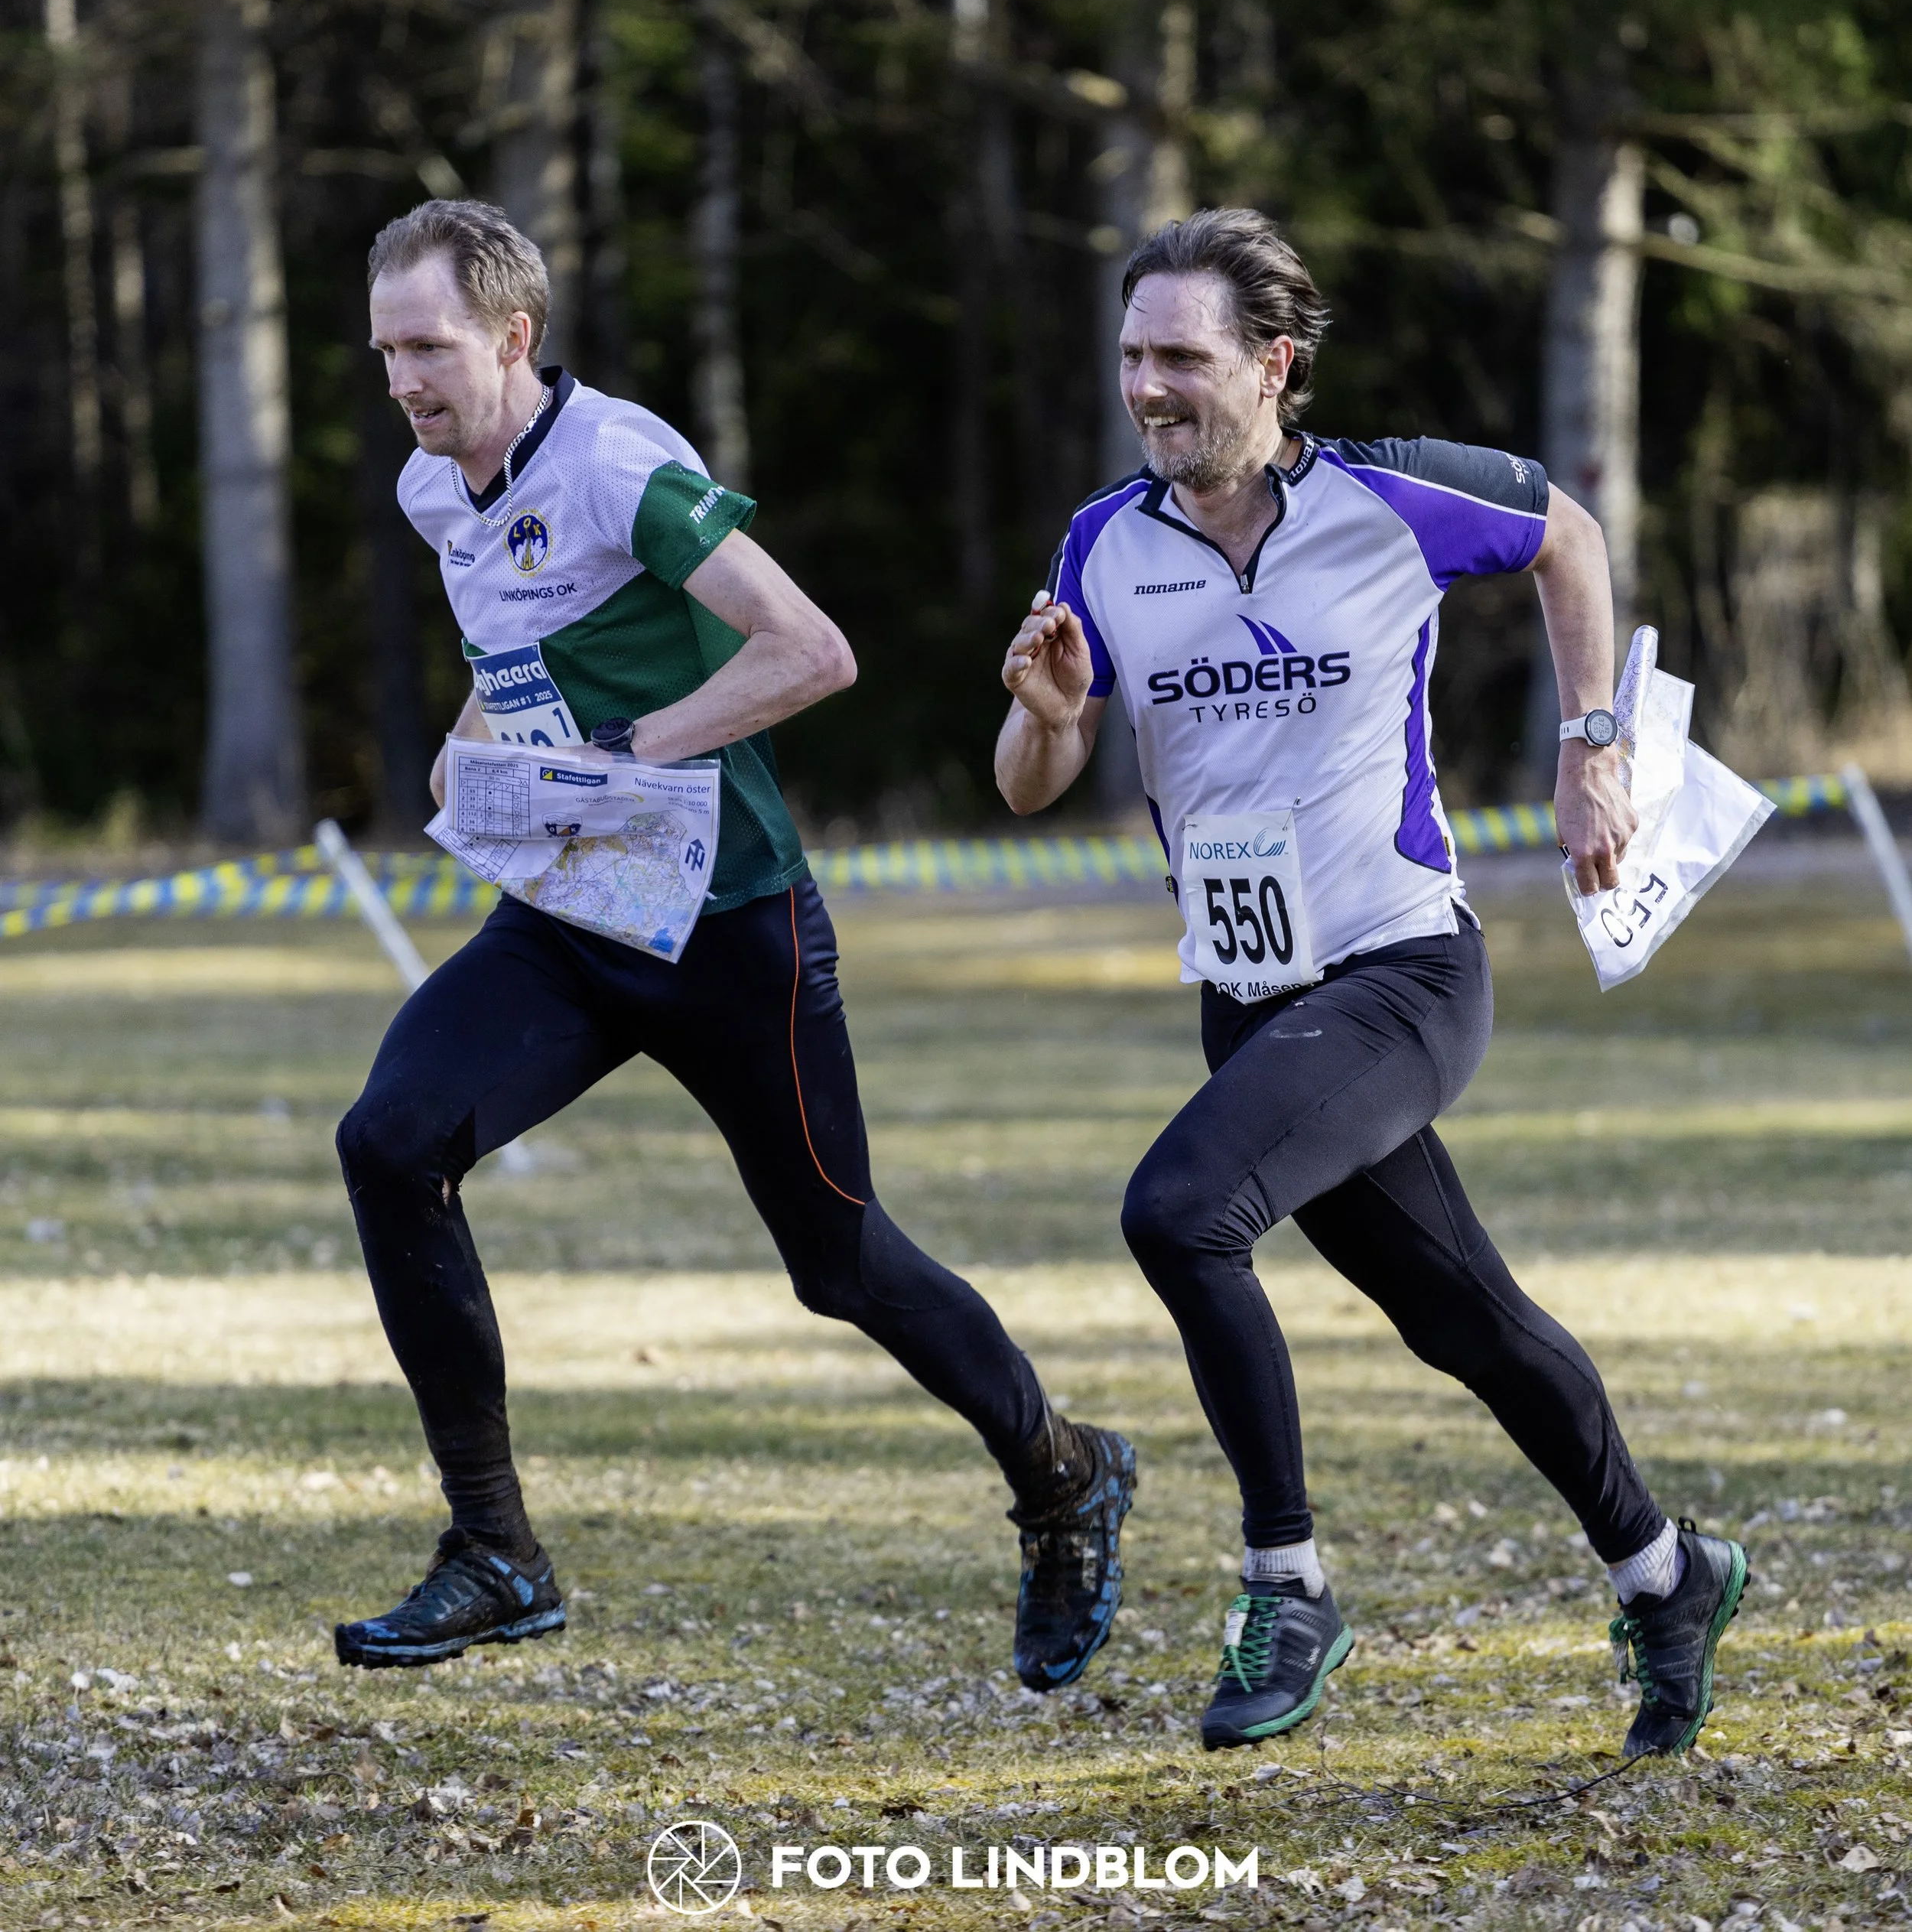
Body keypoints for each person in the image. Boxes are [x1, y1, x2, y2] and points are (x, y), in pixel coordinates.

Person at [333, 197, 1133, 1683]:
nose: (402, 378)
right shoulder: (433, 488)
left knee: (839, 1262)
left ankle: (1062, 1471)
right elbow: (510, 656)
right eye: (384, 350)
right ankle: (495, 1545)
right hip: (572, 919)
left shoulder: (619, 466)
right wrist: (472, 752)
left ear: (514, 336)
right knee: (389, 1138)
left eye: (428, 345)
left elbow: (810, 652)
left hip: (725, 923)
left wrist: (630, 749)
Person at [994, 207, 1745, 1758]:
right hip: (1252, 997)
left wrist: (1588, 741)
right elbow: (1032, 775)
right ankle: (1667, 1570)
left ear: (1272, 366)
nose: (1147, 385)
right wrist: (1045, 714)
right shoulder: (1100, 544)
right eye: (1132, 354)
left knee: (1177, 1210)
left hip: (1400, 971)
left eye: (1181, 357)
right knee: (1464, 1317)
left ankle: (1287, 1579)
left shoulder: (1387, 498)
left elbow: (1567, 536)